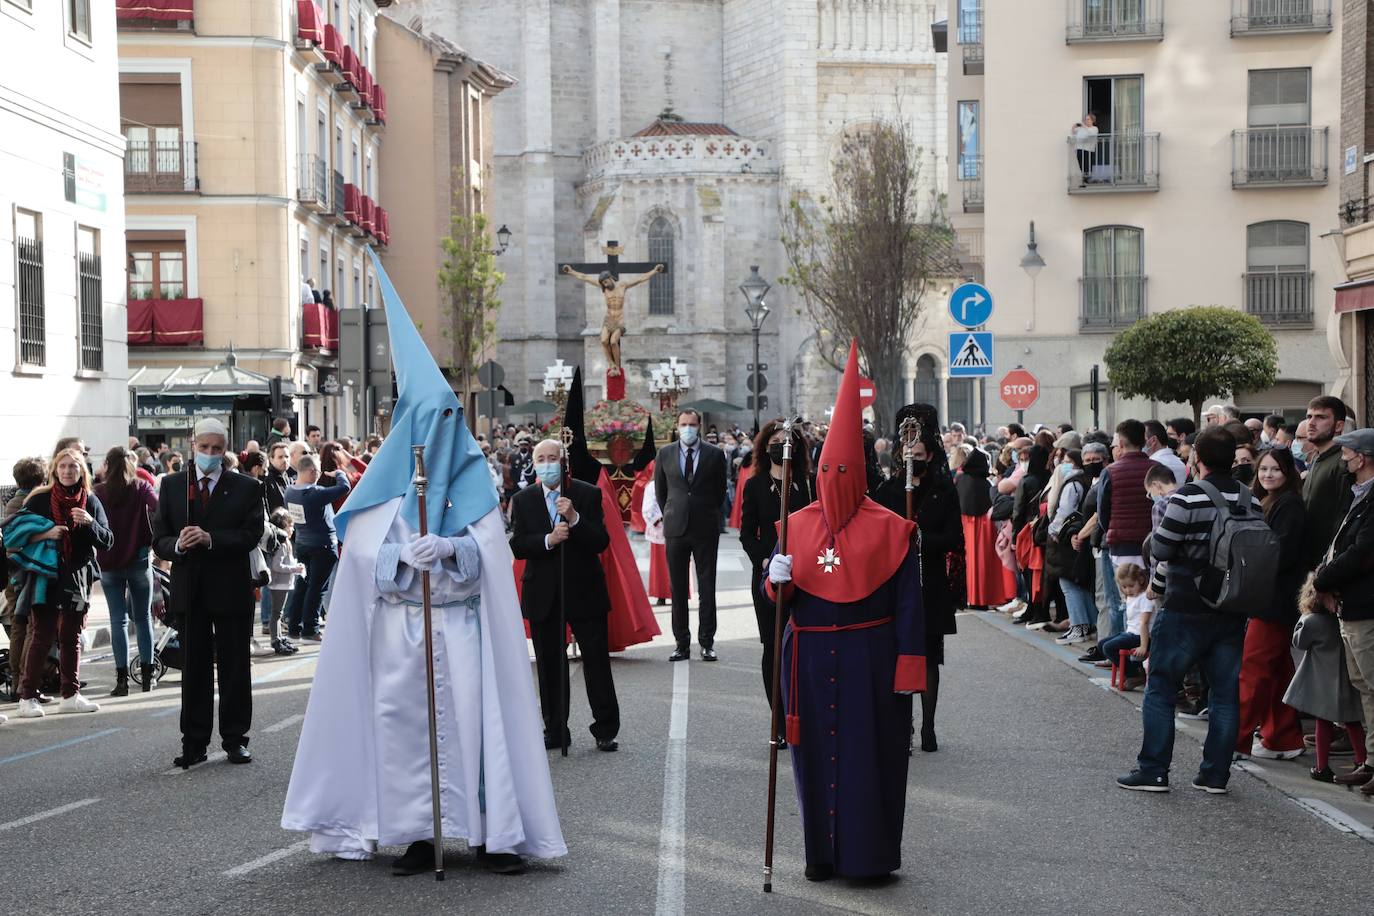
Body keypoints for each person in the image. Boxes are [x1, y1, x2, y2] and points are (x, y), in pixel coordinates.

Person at [282, 252, 564, 875]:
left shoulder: (475, 488)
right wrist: (399, 557)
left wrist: (454, 549)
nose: (437, 433)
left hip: (461, 627)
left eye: (447, 420)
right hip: (403, 628)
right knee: (406, 733)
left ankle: (492, 835)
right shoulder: (382, 492)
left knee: (475, 727)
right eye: (428, 420)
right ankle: (417, 835)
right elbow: (357, 561)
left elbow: (490, 556)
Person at [765, 341, 926, 881]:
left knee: (868, 758)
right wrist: (775, 580)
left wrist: (909, 670)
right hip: (808, 656)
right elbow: (783, 600)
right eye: (825, 469)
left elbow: (909, 605)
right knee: (813, 758)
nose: (832, 479)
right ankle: (821, 854)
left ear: (858, 471)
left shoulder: (892, 527)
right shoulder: (796, 523)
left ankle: (868, 856)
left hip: (871, 658)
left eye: (842, 469)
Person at [1118, 427, 1248, 794]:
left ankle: (1154, 770)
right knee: (1224, 693)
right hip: (1231, 606)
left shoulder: (1187, 496)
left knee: (1160, 688)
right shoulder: (1247, 497)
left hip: (1185, 606)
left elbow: (1161, 548)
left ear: (1198, 459)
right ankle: (1215, 775)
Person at [152, 417, 265, 767]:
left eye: (217, 449)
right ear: (193, 445)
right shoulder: (172, 485)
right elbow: (159, 539)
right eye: (205, 448)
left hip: (231, 589)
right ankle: (194, 742)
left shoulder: (246, 487)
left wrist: (211, 538)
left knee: (234, 667)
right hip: (190, 591)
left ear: (226, 450)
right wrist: (179, 545)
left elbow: (251, 534)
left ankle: (235, 739)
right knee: (195, 668)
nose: (211, 454)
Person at [509, 438, 620, 752]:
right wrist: (548, 539)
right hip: (543, 591)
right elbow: (518, 545)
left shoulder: (586, 494)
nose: (547, 463)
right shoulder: (524, 498)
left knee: (596, 661)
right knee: (548, 665)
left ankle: (605, 728)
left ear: (563, 462)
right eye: (541, 458)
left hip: (584, 589)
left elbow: (600, 541)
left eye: (552, 458)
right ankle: (555, 729)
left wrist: (574, 519)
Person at [873, 406, 962, 751]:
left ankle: (928, 725)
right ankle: (903, 726)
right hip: (896, 583)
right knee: (898, 655)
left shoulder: (943, 489)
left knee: (926, 655)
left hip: (932, 584)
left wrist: (923, 537)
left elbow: (953, 536)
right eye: (908, 453)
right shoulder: (889, 491)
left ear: (931, 454)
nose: (914, 459)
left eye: (921, 454)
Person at [5, 447, 113, 717]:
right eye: (63, 466)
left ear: (81, 471)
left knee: (71, 638)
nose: (67, 471)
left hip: (77, 577)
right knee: (42, 635)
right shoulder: (39, 499)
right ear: (54, 470)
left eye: (73, 467)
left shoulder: (91, 501)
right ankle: (26, 697)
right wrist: (46, 534)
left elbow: (108, 541)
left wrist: (89, 523)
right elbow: (12, 537)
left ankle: (70, 694)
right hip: (44, 578)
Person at [1231, 446, 1307, 760]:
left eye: (1275, 469)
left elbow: (1281, 553)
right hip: (1271, 597)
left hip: (1274, 600)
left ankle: (1236, 741)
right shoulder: (1270, 501)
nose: (1268, 475)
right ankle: (1283, 738)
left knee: (1254, 669)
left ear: (1288, 473)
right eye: (1263, 469)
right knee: (1276, 671)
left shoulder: (1288, 505)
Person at [738, 419, 814, 716]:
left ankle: (801, 712)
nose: (783, 447)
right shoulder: (756, 485)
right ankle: (779, 719)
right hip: (770, 576)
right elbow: (747, 533)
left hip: (806, 575)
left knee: (802, 646)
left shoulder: (807, 483)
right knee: (773, 647)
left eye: (789, 442)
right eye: (777, 442)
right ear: (765, 446)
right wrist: (766, 560)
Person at [1312, 427, 1374, 791]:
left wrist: (1321, 581)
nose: (1344, 460)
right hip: (1351, 605)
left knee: (1372, 685)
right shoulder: (1359, 495)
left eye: (1348, 454)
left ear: (1361, 458)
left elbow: (1361, 552)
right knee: (1363, 687)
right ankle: (1369, 760)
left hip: (1365, 606)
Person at [655, 408, 728, 662]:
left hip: (705, 528)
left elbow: (720, 492)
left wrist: (705, 511)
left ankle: (707, 642)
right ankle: (681, 643)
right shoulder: (664, 453)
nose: (688, 428)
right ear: (678, 425)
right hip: (676, 528)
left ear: (699, 426)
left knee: (707, 587)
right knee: (677, 589)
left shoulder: (715, 455)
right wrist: (673, 512)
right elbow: (661, 492)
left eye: (692, 424)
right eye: (684, 423)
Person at [1285, 577, 1368, 783]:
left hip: (1322, 681)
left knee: (1322, 723)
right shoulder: (1341, 620)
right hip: (1345, 677)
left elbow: (1299, 642)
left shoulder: (1312, 621)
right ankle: (1362, 760)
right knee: (1352, 722)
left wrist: (1303, 619)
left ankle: (1322, 767)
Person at [94, 447, 160, 696]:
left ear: (107, 465)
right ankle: (147, 676)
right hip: (139, 561)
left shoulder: (98, 492)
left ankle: (121, 680)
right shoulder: (141, 487)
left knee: (117, 621)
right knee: (143, 619)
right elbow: (158, 507)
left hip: (109, 563)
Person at [283, 455, 350, 641]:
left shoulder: (290, 492)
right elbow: (345, 487)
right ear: (312, 472)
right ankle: (310, 628)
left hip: (303, 543)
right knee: (317, 588)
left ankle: (294, 627)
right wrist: (339, 473)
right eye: (318, 472)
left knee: (302, 586)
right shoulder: (315, 493)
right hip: (323, 545)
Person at [2, 457, 48, 703]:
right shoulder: (31, 502)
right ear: (40, 479)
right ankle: (25, 684)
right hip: (28, 573)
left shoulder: (11, 501)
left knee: (18, 626)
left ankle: (18, 681)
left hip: (13, 574)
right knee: (31, 627)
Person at [955, 446, 1013, 608]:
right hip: (985, 524)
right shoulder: (986, 483)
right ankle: (985, 597)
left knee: (969, 562)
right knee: (986, 562)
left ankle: (971, 597)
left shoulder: (960, 479)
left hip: (966, 523)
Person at [1302, 396, 1351, 569]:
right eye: (1309, 417)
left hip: (1328, 566)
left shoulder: (1343, 462)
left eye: (1321, 417)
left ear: (1339, 426)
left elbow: (1343, 519)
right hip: (1310, 562)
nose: (1311, 423)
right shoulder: (1317, 457)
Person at [1098, 564, 1153, 690]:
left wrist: (1143, 646)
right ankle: (1134, 670)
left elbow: (1144, 623)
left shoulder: (1145, 598)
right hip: (1131, 633)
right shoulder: (1131, 597)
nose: (1128, 590)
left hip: (1142, 636)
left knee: (1109, 647)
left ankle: (1133, 675)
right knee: (1102, 645)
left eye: (1131, 586)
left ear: (1141, 580)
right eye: (1124, 587)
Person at [264, 508, 302, 655]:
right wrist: (294, 569)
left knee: (277, 614)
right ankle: (276, 640)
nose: (292, 529)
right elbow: (276, 565)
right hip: (279, 583)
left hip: (283, 583)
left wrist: (294, 566)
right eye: (289, 526)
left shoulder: (286, 542)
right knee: (276, 614)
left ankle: (279, 638)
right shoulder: (282, 544)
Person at [1072, 113, 1099, 185]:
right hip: (1079, 148)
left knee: (1087, 165)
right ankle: (1084, 179)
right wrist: (1074, 126)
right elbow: (1074, 131)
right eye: (1085, 119)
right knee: (1081, 165)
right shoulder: (1081, 128)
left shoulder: (1094, 128)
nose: (1086, 121)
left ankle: (1087, 179)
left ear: (1092, 120)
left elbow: (1091, 134)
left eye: (1088, 119)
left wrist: (1084, 126)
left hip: (1088, 149)